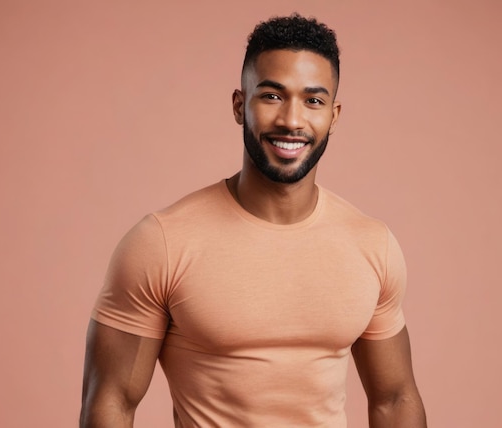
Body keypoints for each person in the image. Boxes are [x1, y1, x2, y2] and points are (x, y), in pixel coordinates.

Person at [80, 13, 426, 428]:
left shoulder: (372, 245)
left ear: (333, 116)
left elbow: (394, 398)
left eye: (313, 101)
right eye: (272, 96)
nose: (291, 121)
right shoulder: (163, 243)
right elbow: (111, 401)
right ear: (239, 105)